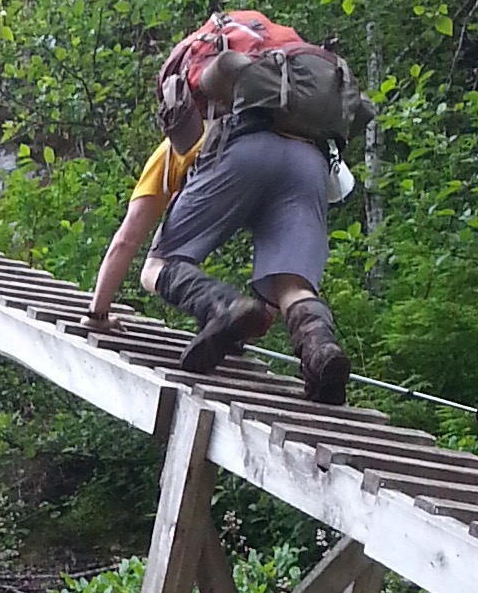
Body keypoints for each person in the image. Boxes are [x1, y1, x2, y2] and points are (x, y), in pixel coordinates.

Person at [82, 22, 352, 405]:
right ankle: (320, 351)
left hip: (241, 150)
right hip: (311, 160)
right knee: (290, 284)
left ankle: (225, 305)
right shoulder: (288, 116)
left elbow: (126, 240)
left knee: (157, 266)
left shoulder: (178, 147)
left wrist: (97, 315)